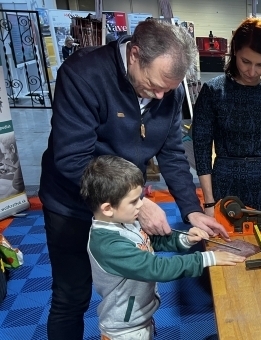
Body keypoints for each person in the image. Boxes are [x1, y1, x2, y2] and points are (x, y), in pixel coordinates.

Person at [39, 19, 229, 340]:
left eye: (168, 89)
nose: (159, 96)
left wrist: (191, 209)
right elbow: (72, 159)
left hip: (125, 203)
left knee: (127, 285)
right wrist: (139, 206)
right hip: (71, 203)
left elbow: (170, 152)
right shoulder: (83, 74)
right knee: (71, 296)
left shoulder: (167, 90)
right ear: (135, 54)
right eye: (155, 85)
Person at [81, 155, 245, 339]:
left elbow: (149, 242)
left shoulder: (124, 221)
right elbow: (156, 268)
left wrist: (185, 239)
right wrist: (207, 258)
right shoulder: (107, 244)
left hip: (140, 317)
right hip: (124, 329)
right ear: (108, 208)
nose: (142, 205)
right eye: (134, 201)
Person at [193, 17, 261, 216]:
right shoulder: (213, 91)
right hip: (225, 184)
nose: (252, 71)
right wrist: (209, 202)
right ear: (235, 51)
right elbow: (201, 148)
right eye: (246, 61)